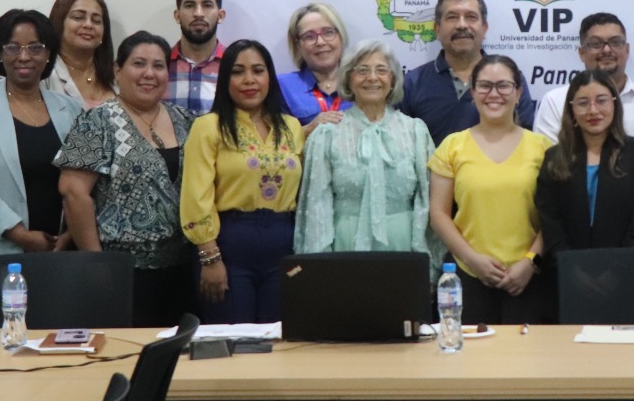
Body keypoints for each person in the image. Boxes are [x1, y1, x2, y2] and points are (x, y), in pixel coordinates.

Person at [56, 31, 196, 326]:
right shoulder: (97, 120)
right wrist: (97, 264)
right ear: (118, 70)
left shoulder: (187, 120)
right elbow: (73, 193)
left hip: (184, 268)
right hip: (121, 270)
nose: (149, 74)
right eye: (139, 64)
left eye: (158, 66)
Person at [0, 9, 83, 299]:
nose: (24, 57)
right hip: (0, 254)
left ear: (48, 54)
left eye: (35, 47)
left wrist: (69, 235)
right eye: (13, 47)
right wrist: (21, 235)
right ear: (0, 55)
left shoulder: (70, 110)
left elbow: (85, 182)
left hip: (59, 255)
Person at [181, 40, 306, 324]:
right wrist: (210, 258)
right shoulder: (208, 127)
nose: (249, 80)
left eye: (258, 71)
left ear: (269, 78)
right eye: (238, 72)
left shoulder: (291, 128)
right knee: (235, 344)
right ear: (225, 79)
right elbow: (195, 195)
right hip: (229, 247)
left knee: (280, 344)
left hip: (283, 245)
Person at [428, 55, 553, 325]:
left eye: (503, 86)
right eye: (484, 86)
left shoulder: (544, 148)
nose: (493, 94)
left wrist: (530, 262)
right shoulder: (452, 146)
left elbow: (555, 217)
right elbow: (438, 213)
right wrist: (472, 259)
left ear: (518, 93)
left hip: (529, 279)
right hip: (469, 276)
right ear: (472, 92)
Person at [293, 40, 434, 257]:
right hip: (344, 249)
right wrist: (320, 264)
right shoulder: (327, 134)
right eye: (362, 71)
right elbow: (317, 207)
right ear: (348, 79)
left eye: (381, 70)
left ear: (393, 78)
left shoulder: (415, 132)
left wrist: (425, 259)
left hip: (404, 248)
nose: (372, 78)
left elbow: (426, 201)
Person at [536, 68, 634, 260]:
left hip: (630, 270)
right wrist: (574, 269)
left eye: (601, 100)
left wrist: (614, 269)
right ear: (571, 109)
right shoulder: (554, 158)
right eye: (583, 103)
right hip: (567, 274)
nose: (593, 110)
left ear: (614, 103)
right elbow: (551, 225)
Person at [401, 0, 536, 145]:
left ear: (484, 28)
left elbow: (525, 141)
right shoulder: (412, 83)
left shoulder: (511, 79)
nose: (462, 25)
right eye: (452, 17)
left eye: (471, 17)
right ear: (437, 29)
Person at [533, 13, 634, 143]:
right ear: (582, 53)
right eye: (596, 44)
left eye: (615, 42)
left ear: (627, 50)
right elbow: (550, 160)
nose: (607, 50)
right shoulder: (556, 101)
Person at [277, 2, 353, 133]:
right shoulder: (281, 86)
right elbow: (271, 142)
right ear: (298, 45)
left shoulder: (362, 82)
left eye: (328, 33)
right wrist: (308, 129)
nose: (321, 42)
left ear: (341, 36)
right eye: (309, 36)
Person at [45, 0, 116, 108]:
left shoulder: (116, 75)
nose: (88, 25)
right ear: (59, 23)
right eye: (78, 17)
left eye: (96, 20)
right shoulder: (44, 74)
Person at [166, 0, 226, 116]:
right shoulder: (159, 65)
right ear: (177, 16)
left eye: (207, 5)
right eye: (189, 5)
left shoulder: (235, 65)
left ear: (220, 15)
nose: (198, 13)